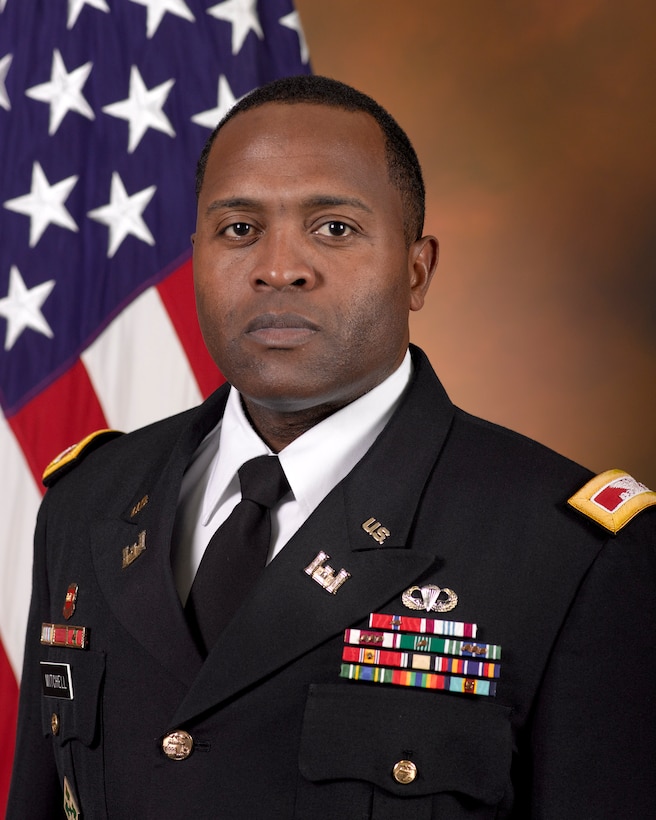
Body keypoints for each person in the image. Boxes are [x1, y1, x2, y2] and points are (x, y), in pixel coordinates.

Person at [7, 75, 656, 819]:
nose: (279, 267)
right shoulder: (90, 501)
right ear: (196, 258)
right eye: (239, 229)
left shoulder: (568, 553)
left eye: (334, 228)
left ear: (417, 270)